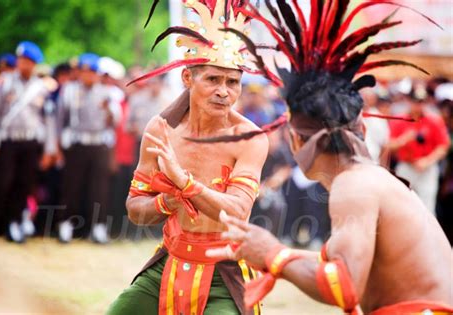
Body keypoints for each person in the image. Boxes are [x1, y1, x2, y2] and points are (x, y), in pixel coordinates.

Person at [202, 1, 453, 314]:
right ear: (359, 126)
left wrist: (274, 254)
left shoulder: (354, 185)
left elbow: (344, 285)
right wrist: (276, 258)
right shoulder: (371, 180)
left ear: (295, 139)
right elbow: (340, 268)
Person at [107, 1, 269, 314]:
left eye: (232, 82)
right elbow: (134, 210)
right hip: (170, 258)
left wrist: (183, 182)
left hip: (227, 270)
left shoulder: (249, 138)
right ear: (187, 79)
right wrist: (167, 202)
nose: (224, 91)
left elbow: (237, 211)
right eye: (212, 80)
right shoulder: (160, 129)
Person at [0, 41, 57, 243]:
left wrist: (49, 148)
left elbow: (48, 120)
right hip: (8, 141)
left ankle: (14, 223)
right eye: (22, 60)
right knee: (1, 182)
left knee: (24, 184)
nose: (25, 65)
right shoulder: (4, 83)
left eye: (30, 62)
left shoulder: (41, 87)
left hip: (30, 143)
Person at [56, 53, 122, 244]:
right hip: (77, 143)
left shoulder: (107, 92)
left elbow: (115, 121)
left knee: (99, 188)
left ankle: (98, 226)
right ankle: (66, 224)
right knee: (71, 186)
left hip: (99, 144)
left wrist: (108, 108)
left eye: (92, 72)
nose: (88, 76)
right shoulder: (69, 91)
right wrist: (57, 147)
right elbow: (60, 120)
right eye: (85, 72)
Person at [388, 85, 450, 214]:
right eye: (415, 101)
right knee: (401, 204)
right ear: (409, 101)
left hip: (427, 168)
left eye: (421, 102)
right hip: (406, 165)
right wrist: (404, 139)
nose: (418, 105)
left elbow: (443, 145)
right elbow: (388, 145)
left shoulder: (434, 120)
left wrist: (427, 160)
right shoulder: (398, 120)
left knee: (427, 206)